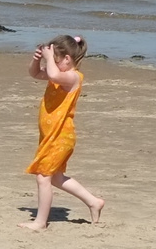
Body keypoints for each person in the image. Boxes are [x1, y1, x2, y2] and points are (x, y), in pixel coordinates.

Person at [20, 33, 105, 231]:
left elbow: (54, 74)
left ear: (67, 59)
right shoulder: (56, 75)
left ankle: (40, 222)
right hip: (50, 136)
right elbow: (36, 74)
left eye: (56, 60)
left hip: (61, 136)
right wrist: (37, 61)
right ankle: (93, 201)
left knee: (43, 176)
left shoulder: (72, 77)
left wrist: (50, 59)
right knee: (56, 178)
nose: (53, 64)